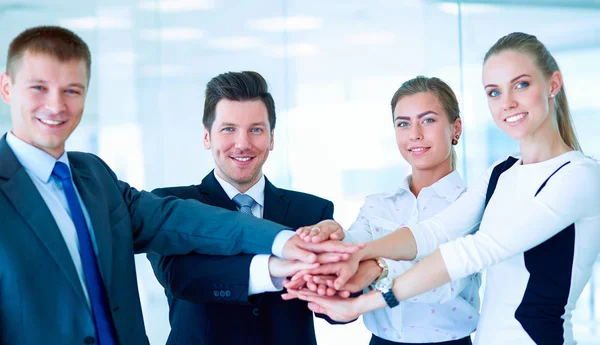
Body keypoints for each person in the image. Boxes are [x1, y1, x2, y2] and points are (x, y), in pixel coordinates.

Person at [0, 26, 359, 345]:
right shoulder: (170, 194)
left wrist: (291, 243)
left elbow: (182, 220)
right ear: (7, 87)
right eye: (38, 88)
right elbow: (183, 275)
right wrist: (286, 258)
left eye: (72, 90)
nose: (56, 104)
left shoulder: (94, 176)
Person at [286, 32, 600, 345]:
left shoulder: (579, 176)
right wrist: (357, 253)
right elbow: (435, 232)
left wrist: (365, 298)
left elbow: (473, 250)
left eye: (521, 85)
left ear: (553, 85)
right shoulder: (502, 171)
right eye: (493, 92)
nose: (507, 103)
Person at [147, 71, 341, 345]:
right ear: (206, 137)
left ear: (272, 138)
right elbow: (181, 278)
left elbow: (340, 313)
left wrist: (339, 261)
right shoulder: (171, 206)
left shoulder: (312, 212)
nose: (243, 143)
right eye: (228, 129)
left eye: (256, 129)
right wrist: (278, 267)